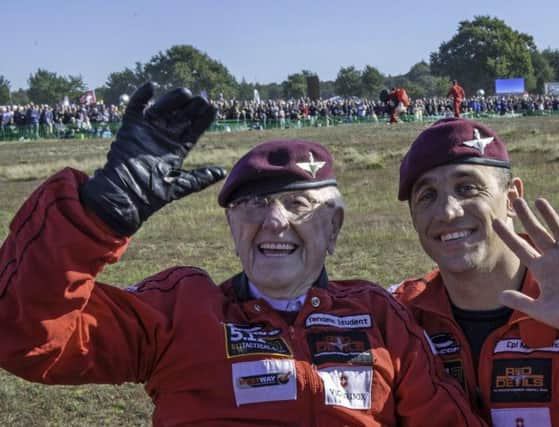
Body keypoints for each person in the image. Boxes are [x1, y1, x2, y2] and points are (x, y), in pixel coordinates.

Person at [0, 83, 484, 426]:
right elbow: (25, 338)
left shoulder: (378, 315)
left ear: (334, 227)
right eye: (252, 205)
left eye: (298, 205)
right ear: (231, 227)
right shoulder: (182, 311)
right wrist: (94, 217)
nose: (273, 222)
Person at [391, 117, 559, 426]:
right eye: (426, 196)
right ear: (414, 217)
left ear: (511, 198)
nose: (447, 211)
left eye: (467, 187)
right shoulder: (398, 316)